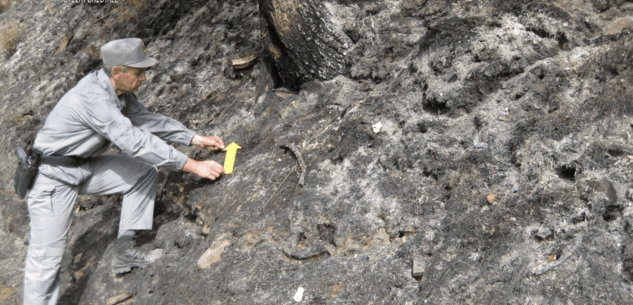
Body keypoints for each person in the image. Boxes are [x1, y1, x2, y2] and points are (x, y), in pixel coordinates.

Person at [23, 38, 226, 305]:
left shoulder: (120, 92)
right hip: (53, 178)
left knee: (142, 173)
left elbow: (149, 121)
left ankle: (125, 252)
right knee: (47, 258)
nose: (144, 78)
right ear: (118, 72)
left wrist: (195, 138)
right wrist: (192, 165)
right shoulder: (92, 97)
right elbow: (135, 141)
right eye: (139, 72)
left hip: (82, 165)